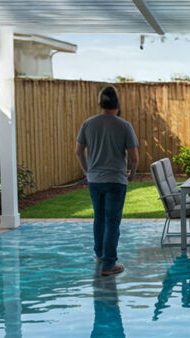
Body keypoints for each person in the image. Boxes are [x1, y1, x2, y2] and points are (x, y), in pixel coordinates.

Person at [75, 85, 139, 277]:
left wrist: (88, 171)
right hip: (116, 181)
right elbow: (134, 156)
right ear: (117, 104)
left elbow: (78, 151)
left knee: (100, 218)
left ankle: (101, 255)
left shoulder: (88, 124)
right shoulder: (124, 126)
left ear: (100, 103)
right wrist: (133, 173)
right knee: (112, 221)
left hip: (95, 181)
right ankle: (109, 264)